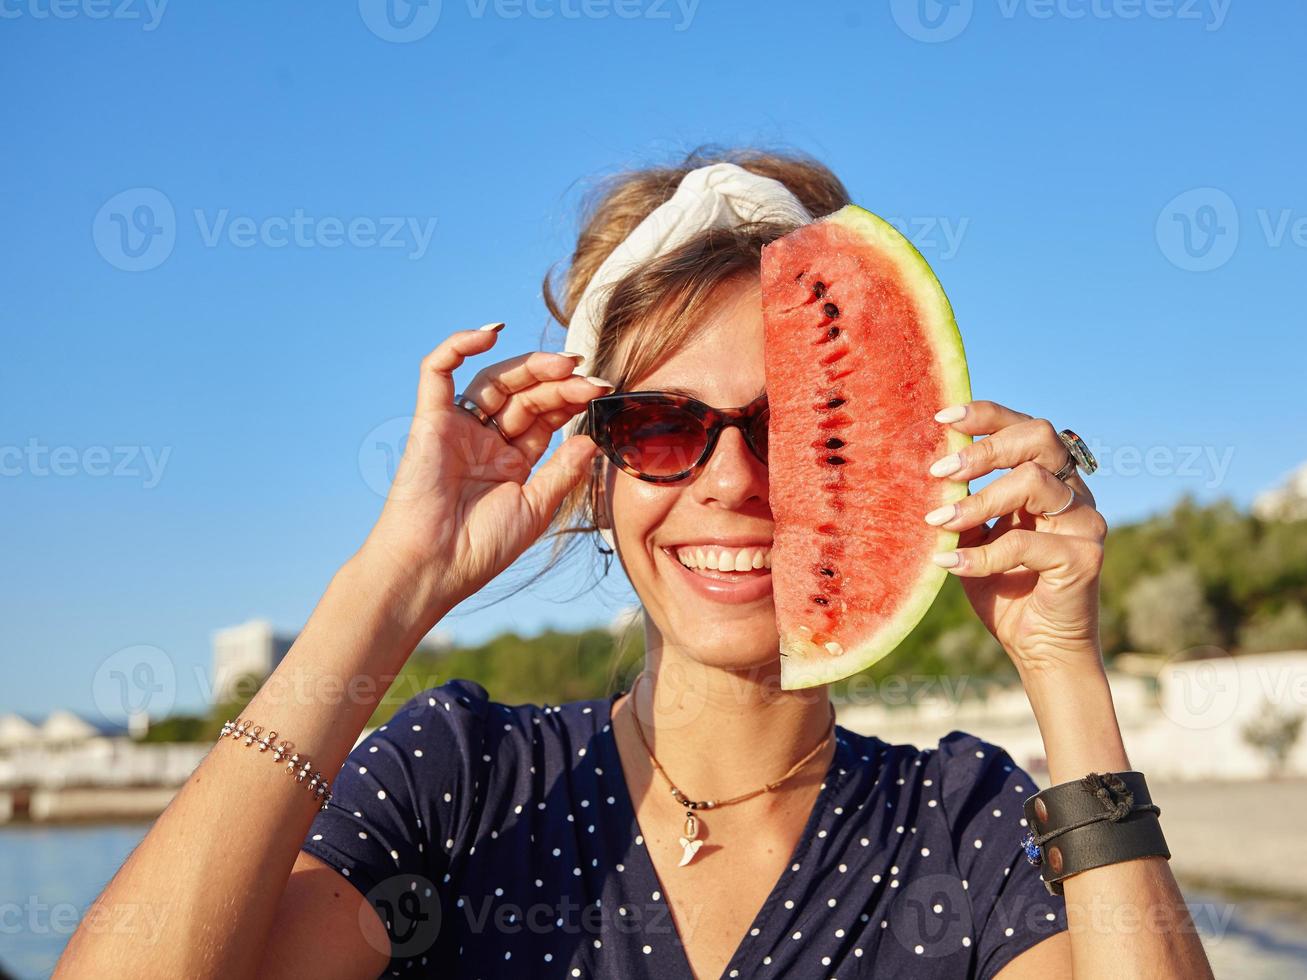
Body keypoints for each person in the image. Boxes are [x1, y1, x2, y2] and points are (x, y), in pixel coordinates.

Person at [55, 148, 1213, 979]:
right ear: (599, 472)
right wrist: (389, 590)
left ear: (873, 467)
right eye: (661, 424)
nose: (730, 481)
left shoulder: (964, 825)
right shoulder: (457, 781)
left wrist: (1065, 668)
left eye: (797, 432)